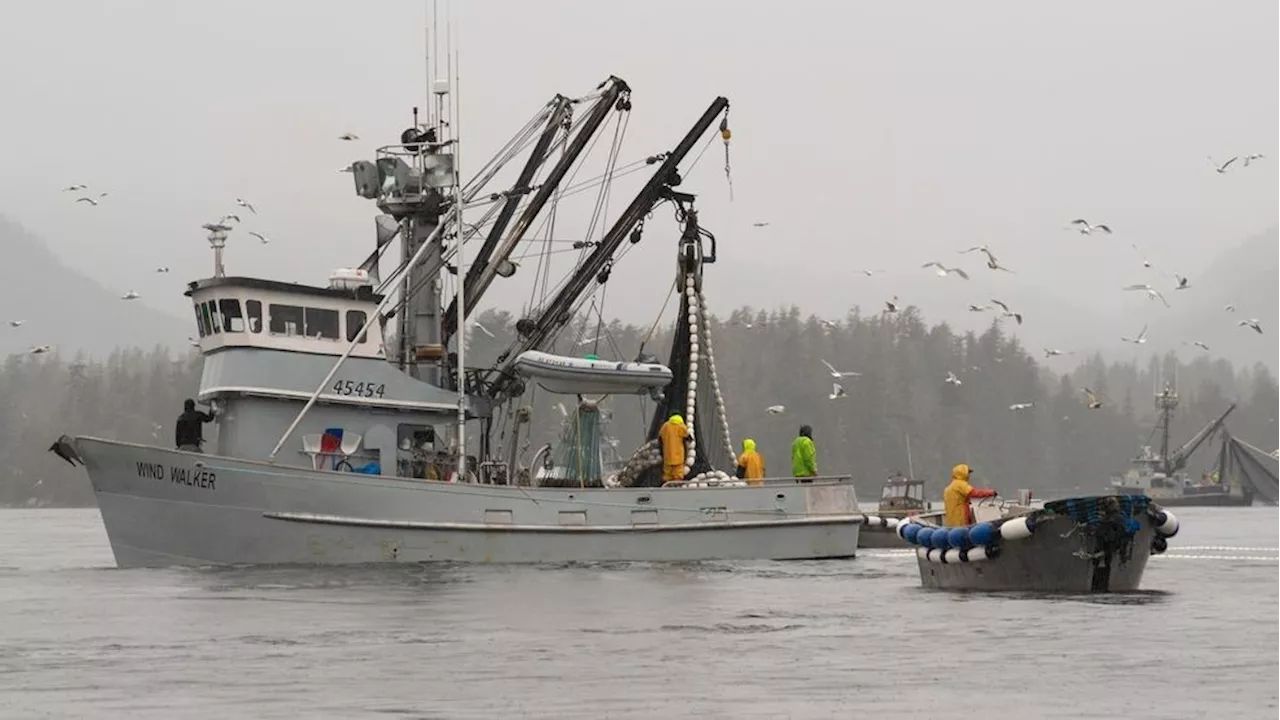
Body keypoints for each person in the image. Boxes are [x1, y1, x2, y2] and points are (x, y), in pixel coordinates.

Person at [658, 413, 689, 482]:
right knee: (678, 475)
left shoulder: (665, 426)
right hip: (678, 457)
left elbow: (660, 438)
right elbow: (688, 438)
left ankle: (665, 488)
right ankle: (676, 488)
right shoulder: (681, 426)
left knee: (667, 475)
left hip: (667, 456)